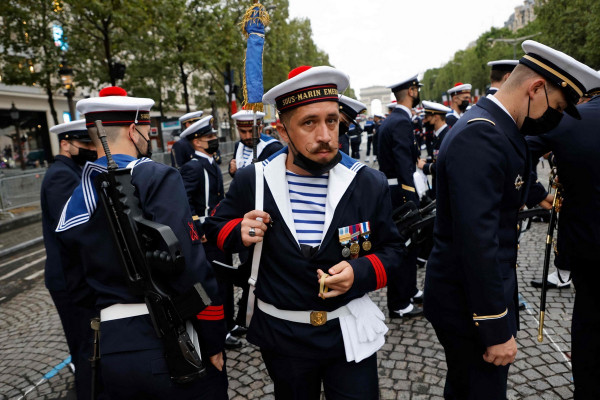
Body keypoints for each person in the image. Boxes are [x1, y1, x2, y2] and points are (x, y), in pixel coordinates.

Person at [204, 65, 403, 400]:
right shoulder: (254, 181)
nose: (325, 135)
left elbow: (394, 250)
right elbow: (214, 230)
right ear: (282, 131)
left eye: (331, 120)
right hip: (282, 337)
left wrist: (359, 271)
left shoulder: (367, 182)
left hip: (348, 329)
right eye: (309, 123)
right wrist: (238, 230)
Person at [423, 40, 600, 400]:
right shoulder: (482, 134)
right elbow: (478, 242)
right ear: (536, 88)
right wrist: (495, 328)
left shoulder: (496, 128)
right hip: (468, 307)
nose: (557, 118)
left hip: (470, 297)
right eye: (558, 107)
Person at [55, 86, 228, 399]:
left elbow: (75, 288)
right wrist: (214, 339)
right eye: (147, 131)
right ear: (134, 131)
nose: (148, 138)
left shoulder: (75, 198)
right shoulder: (157, 177)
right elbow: (190, 267)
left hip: (112, 348)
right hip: (169, 342)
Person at [526, 82, 600, 399]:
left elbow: (519, 150)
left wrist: (534, 192)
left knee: (589, 322)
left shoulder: (571, 119)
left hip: (588, 245)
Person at [42, 119, 98, 399]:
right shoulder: (61, 176)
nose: (91, 148)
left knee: (88, 343)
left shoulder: (74, 170)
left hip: (74, 275)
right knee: (85, 347)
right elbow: (74, 229)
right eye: (84, 143)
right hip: (69, 279)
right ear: (65, 144)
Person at [179, 115, 242, 350]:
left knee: (225, 278)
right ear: (196, 142)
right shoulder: (193, 167)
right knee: (214, 283)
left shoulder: (210, 162)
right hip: (206, 234)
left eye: (214, 135)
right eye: (210, 137)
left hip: (217, 230)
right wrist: (197, 228)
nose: (214, 139)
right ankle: (219, 331)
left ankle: (229, 323)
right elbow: (184, 200)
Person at [377, 75, 424, 319]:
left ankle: (410, 290)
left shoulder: (392, 120)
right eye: (417, 89)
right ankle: (399, 303)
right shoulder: (401, 122)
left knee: (410, 245)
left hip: (394, 189)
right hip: (400, 192)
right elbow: (404, 164)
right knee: (404, 246)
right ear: (412, 91)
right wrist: (411, 198)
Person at [228, 109, 283, 177]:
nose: (248, 136)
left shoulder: (274, 147)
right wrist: (232, 170)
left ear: (260, 129)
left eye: (251, 131)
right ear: (238, 129)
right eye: (243, 132)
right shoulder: (238, 145)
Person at [416, 101, 451, 199]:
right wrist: (427, 161)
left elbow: (445, 166)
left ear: (436, 117)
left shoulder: (446, 136)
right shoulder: (438, 135)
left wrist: (425, 166)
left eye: (427, 117)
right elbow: (438, 158)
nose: (424, 121)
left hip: (445, 189)